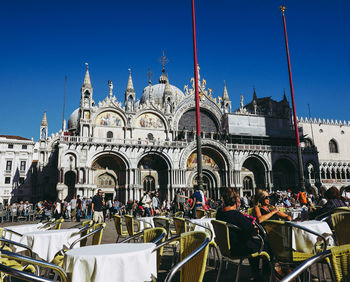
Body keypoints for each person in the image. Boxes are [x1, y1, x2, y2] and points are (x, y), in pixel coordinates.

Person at [216, 187, 270, 281]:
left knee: (253, 243)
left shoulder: (219, 213)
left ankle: (255, 273)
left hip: (226, 248)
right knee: (266, 245)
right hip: (238, 248)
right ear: (236, 200)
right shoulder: (235, 215)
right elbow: (252, 230)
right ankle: (266, 275)